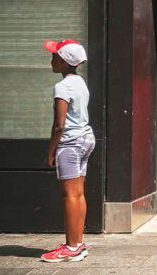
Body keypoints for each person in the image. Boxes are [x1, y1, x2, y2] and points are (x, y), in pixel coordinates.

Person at [40, 40, 95, 263]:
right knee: (78, 193)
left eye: (54, 57)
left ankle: (72, 247)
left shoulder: (62, 87)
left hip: (70, 143)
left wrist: (51, 151)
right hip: (85, 140)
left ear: (63, 62)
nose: (51, 60)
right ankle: (77, 244)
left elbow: (59, 125)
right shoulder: (80, 82)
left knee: (69, 194)